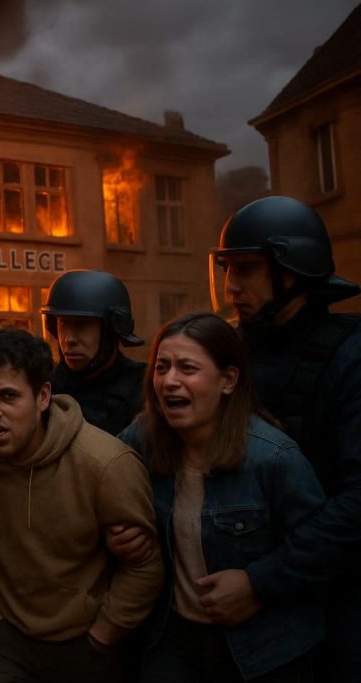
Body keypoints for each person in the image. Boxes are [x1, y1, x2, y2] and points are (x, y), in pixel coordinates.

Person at [0, 326, 162, 682]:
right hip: (7, 640)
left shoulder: (105, 465)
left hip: (89, 642)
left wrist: (103, 635)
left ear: (43, 397)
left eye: (8, 396)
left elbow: (145, 566)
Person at [119, 312, 325, 681]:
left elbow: (321, 548)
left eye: (187, 368)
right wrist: (118, 530)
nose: (169, 380)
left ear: (228, 380)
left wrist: (257, 584)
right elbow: (97, 473)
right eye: (162, 367)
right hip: (174, 640)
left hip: (266, 649)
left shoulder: (274, 458)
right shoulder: (143, 439)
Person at [210, 195, 361, 681]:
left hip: (336, 594)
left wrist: (261, 582)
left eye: (247, 269)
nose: (231, 285)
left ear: (293, 271)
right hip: (234, 595)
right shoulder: (228, 351)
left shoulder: (350, 357)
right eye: (227, 269)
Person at [41, 269, 146, 435]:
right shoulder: (45, 386)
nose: (69, 339)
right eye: (63, 324)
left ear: (109, 331)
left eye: (82, 325)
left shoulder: (144, 388)